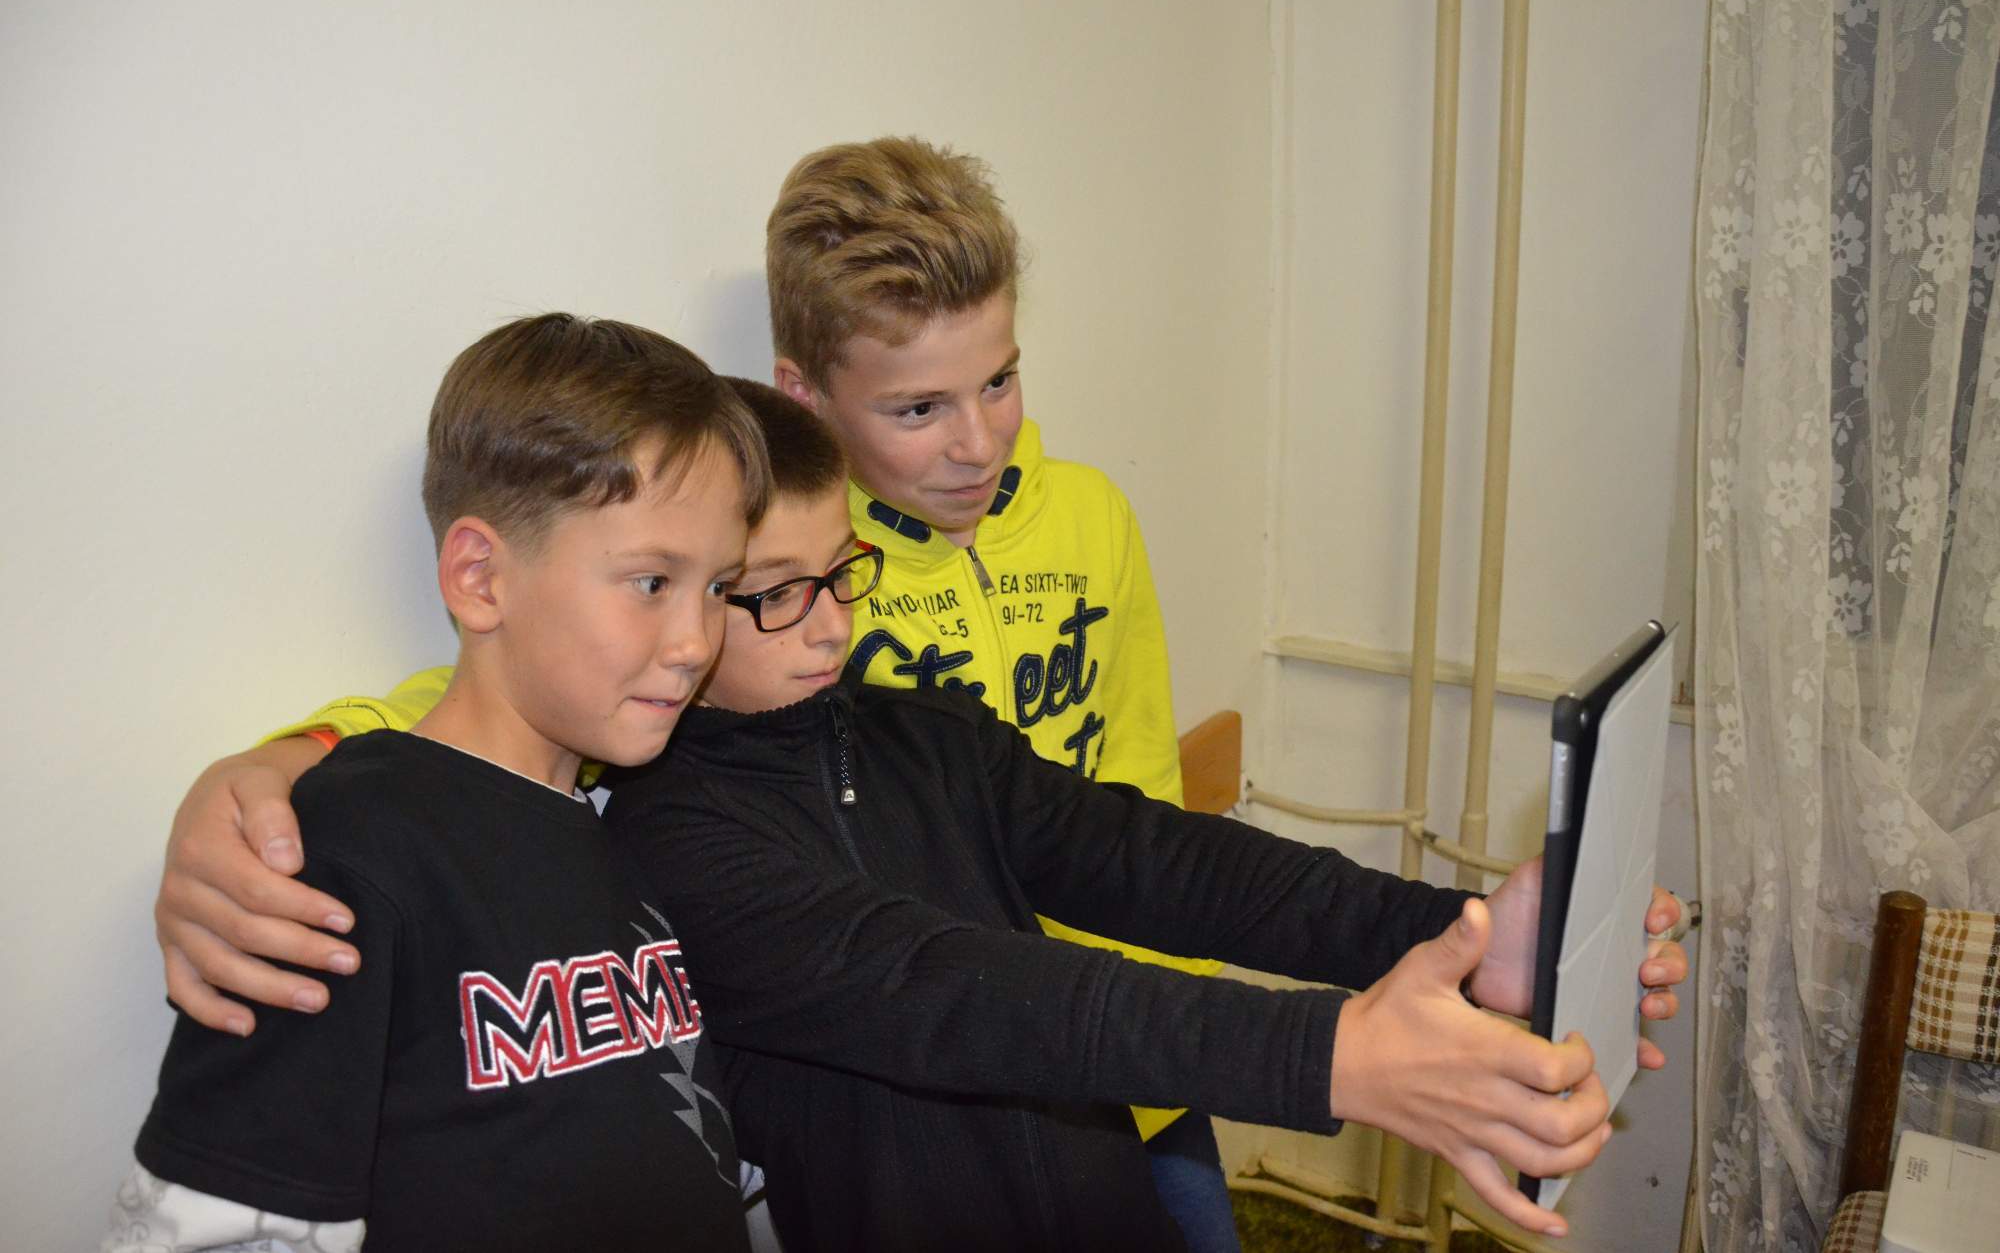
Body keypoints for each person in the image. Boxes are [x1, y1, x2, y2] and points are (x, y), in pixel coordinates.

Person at [149, 379, 1687, 1249]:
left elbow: (1160, 860)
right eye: (767, 591)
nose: (827, 621)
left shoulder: (919, 732)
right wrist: (1336, 1054)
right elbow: (949, 987)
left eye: (846, 572)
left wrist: (1461, 930)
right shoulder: (660, 829)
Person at [107, 315, 769, 1252]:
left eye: (718, 587)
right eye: (652, 582)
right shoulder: (342, 851)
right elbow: (216, 1226)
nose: (698, 641)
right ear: (480, 578)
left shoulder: (637, 820)